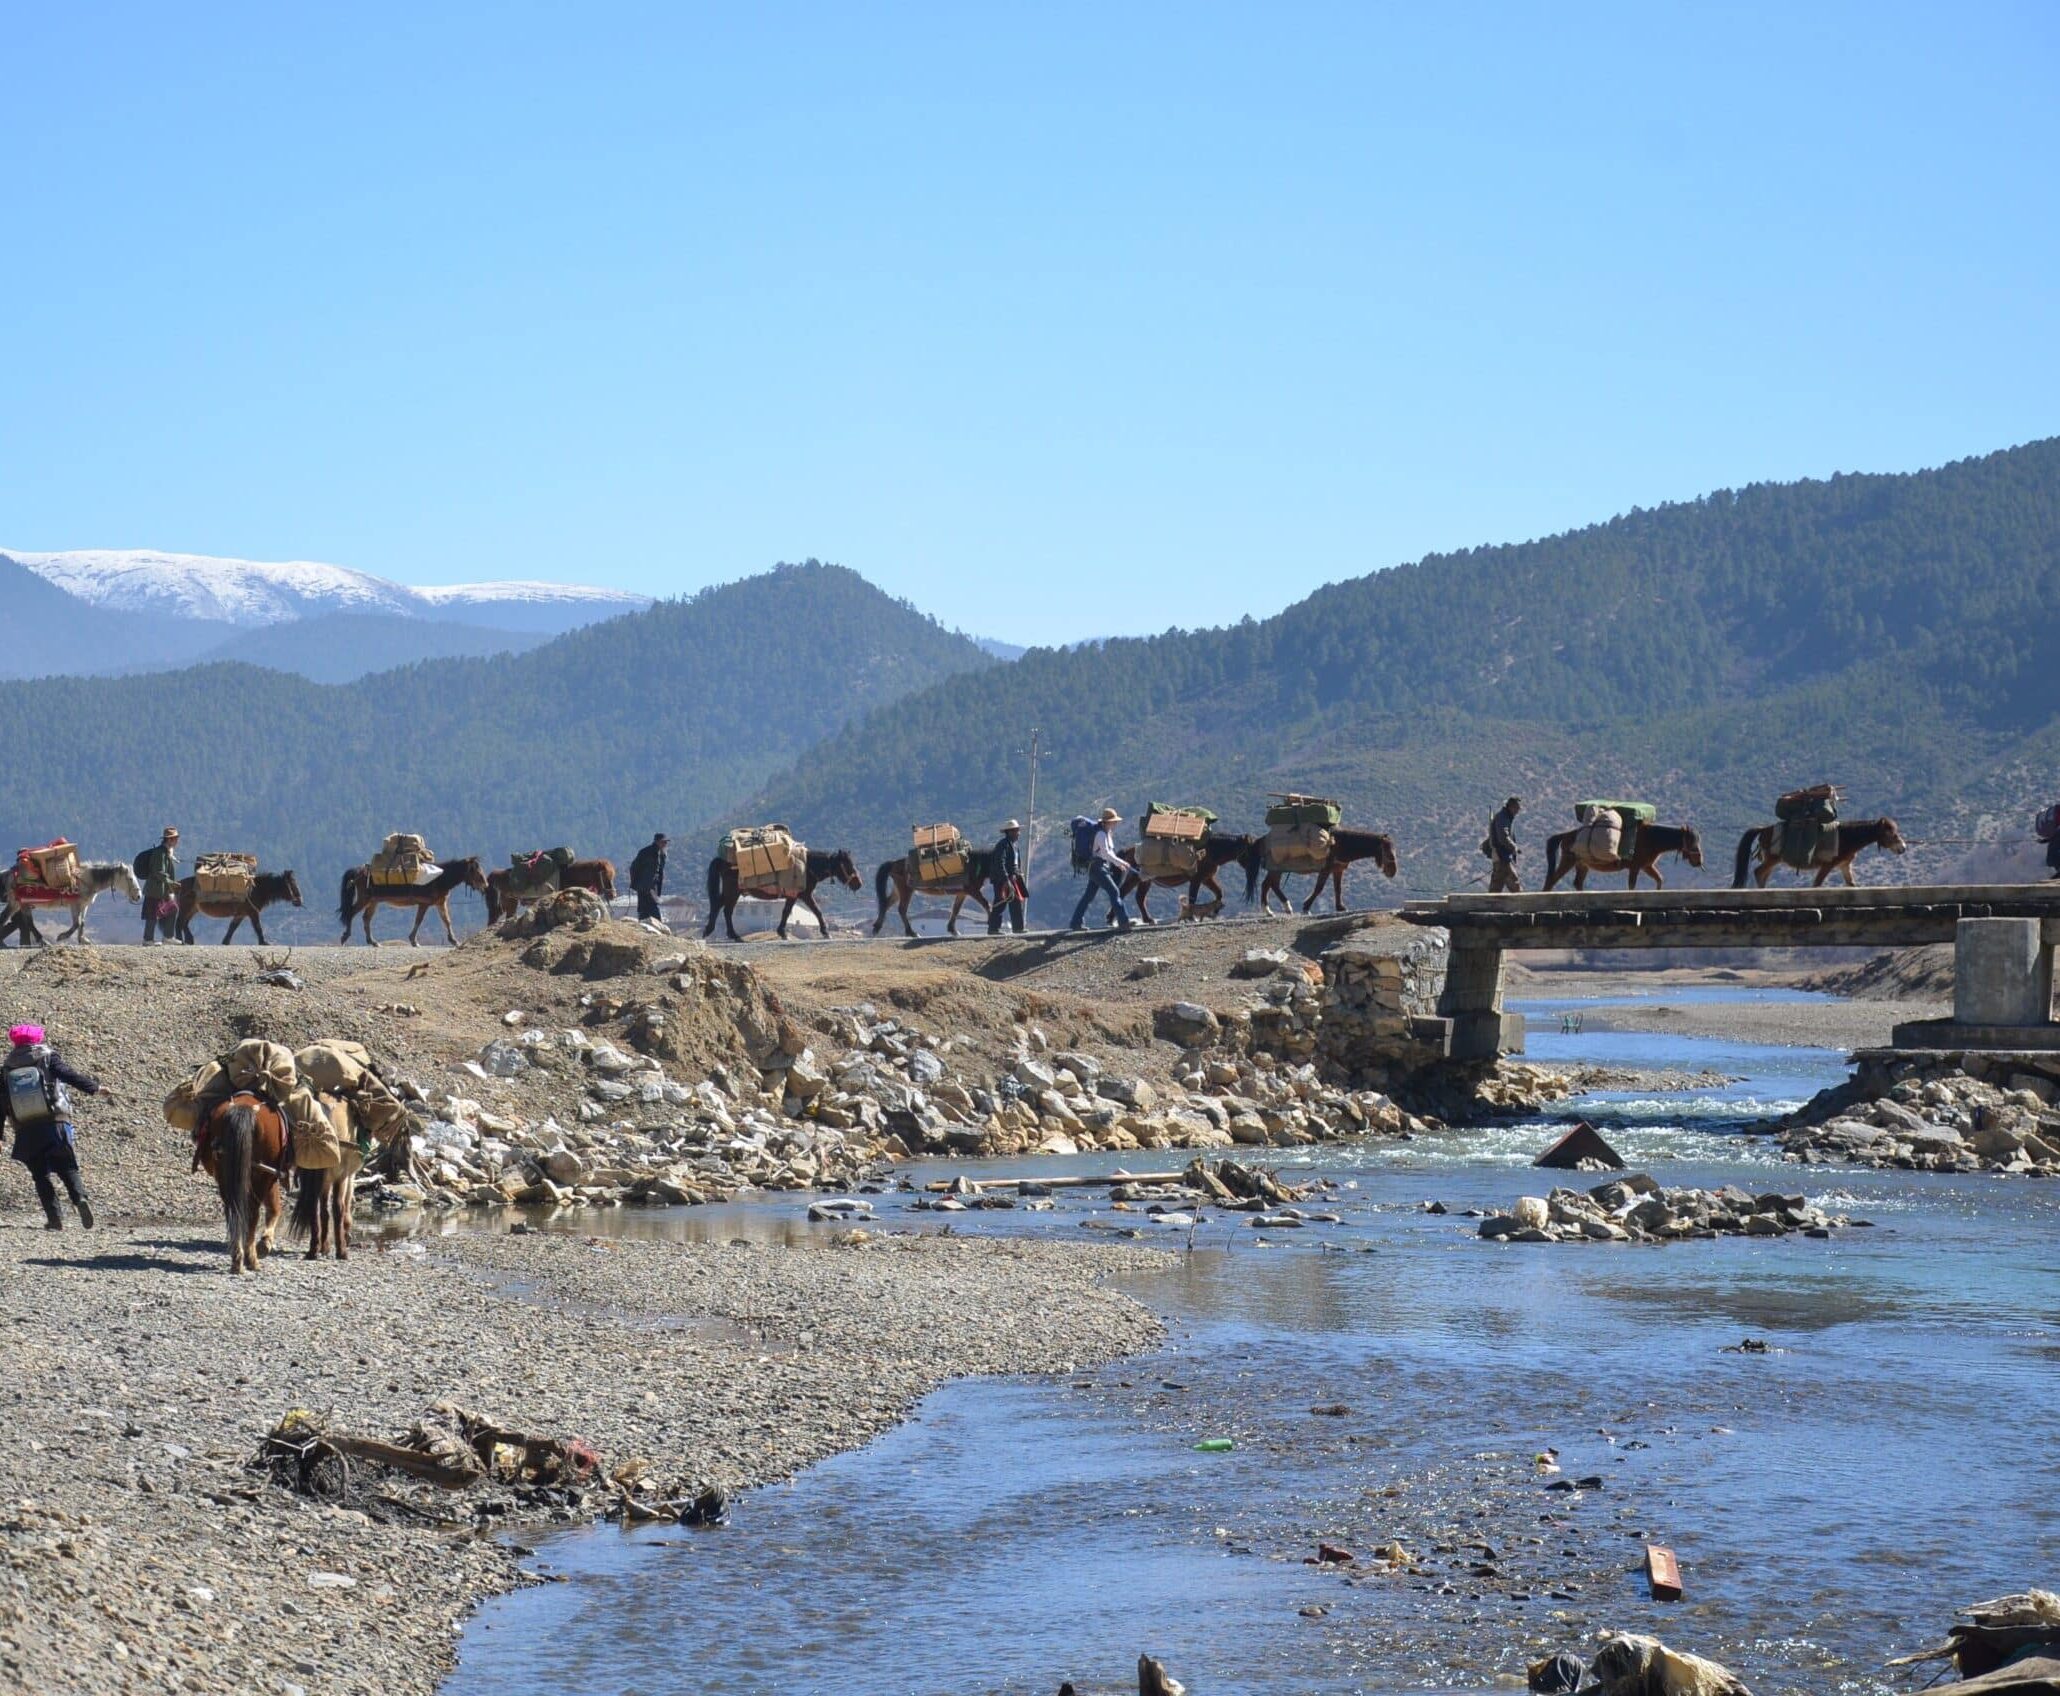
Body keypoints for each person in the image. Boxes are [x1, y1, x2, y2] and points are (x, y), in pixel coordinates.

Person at [3, 1022, 112, 1230]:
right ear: (38, 1039)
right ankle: (79, 1198)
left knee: (40, 1175)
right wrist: (96, 1089)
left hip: (25, 1127)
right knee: (67, 1164)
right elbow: (69, 1075)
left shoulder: (7, 1068)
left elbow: (2, 1103)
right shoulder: (48, 1057)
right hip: (55, 1121)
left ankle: (55, 1219)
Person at [1070, 808, 1135, 931]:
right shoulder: (1101, 834)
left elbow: (1109, 853)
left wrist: (1119, 863)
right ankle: (1123, 921)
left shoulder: (1106, 833)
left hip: (1098, 867)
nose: (1115, 824)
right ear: (1107, 822)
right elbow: (1105, 854)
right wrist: (1120, 862)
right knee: (1114, 892)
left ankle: (1075, 922)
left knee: (1088, 896)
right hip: (1097, 867)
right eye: (1113, 821)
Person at [134, 826, 180, 944]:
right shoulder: (159, 853)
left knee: (173, 909)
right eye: (175, 838)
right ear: (169, 840)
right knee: (152, 915)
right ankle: (148, 939)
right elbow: (159, 872)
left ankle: (168, 937)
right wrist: (172, 883)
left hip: (162, 891)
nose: (177, 841)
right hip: (154, 890)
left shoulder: (166, 852)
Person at [987, 820, 1028, 935]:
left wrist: (1018, 874)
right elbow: (1000, 862)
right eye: (1016, 831)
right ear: (1010, 832)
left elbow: (1015, 863)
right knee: (1000, 902)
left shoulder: (1014, 846)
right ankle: (993, 928)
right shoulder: (1003, 845)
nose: (1018, 833)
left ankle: (1018, 928)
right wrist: (1005, 879)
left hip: (1012, 879)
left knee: (1015, 902)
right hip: (1002, 880)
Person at [629, 832, 669, 924]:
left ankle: (643, 928)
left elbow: (659, 872)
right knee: (653, 909)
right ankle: (659, 930)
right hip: (645, 886)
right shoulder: (645, 852)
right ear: (657, 842)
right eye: (664, 842)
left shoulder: (662, 854)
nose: (665, 844)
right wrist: (636, 883)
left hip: (651, 887)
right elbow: (634, 868)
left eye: (666, 842)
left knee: (644, 910)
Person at [1487, 797, 1522, 893]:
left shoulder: (1505, 817)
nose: (1517, 811)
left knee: (1497, 885)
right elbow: (1503, 837)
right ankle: (1522, 904)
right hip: (1502, 856)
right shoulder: (1503, 818)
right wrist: (1513, 847)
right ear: (1511, 807)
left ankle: (1490, 905)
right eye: (1516, 808)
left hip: (1503, 857)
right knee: (1513, 883)